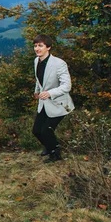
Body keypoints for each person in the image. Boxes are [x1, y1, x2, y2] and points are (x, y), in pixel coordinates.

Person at [32, 34, 74, 163]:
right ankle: (49, 147)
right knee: (36, 131)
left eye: (40, 45)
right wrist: (37, 91)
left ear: (48, 47)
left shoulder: (59, 63)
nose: (37, 48)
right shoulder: (36, 61)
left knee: (46, 131)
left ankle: (56, 154)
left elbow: (67, 86)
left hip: (59, 103)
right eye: (35, 46)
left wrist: (50, 93)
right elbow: (40, 80)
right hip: (44, 102)